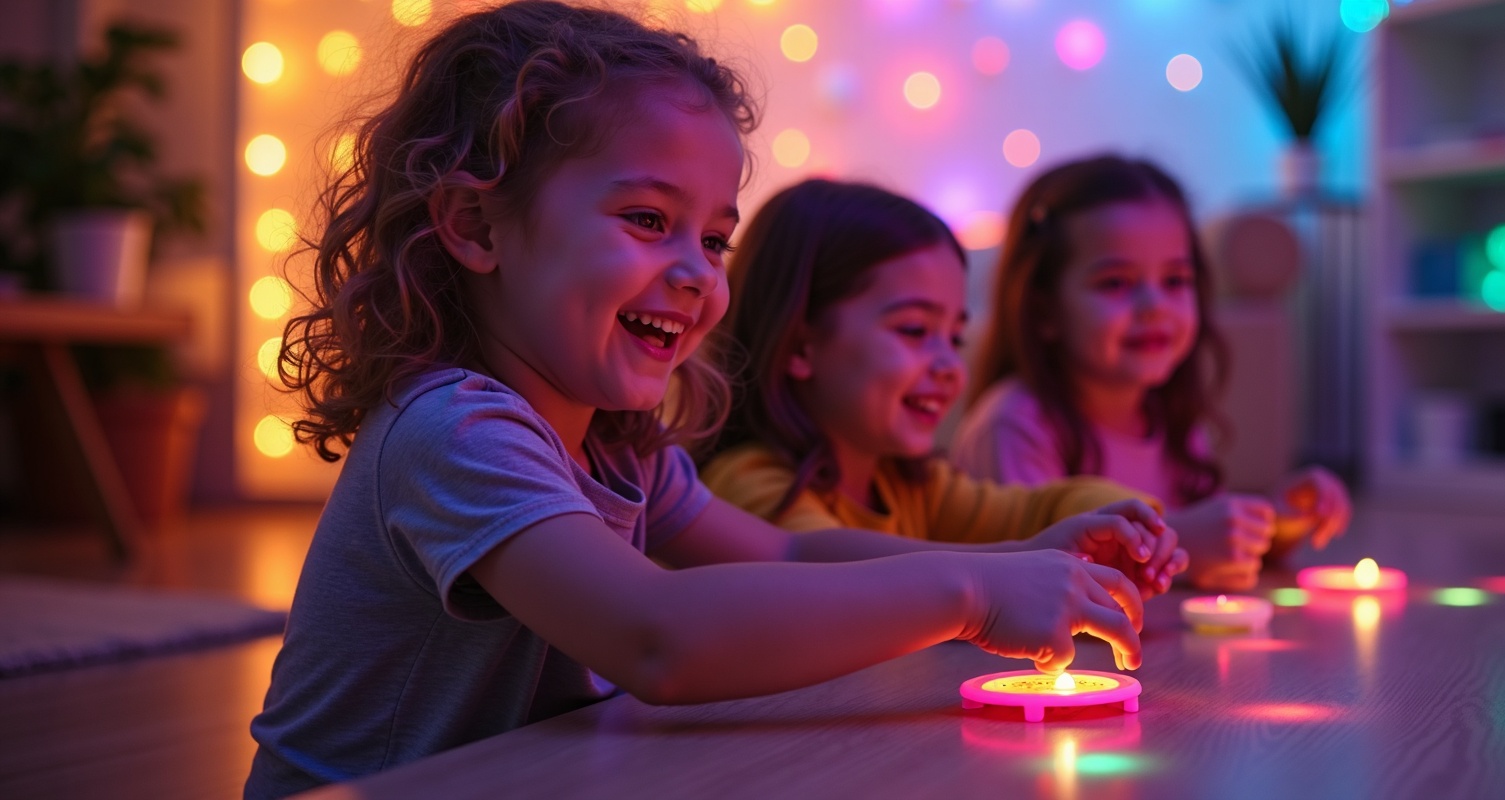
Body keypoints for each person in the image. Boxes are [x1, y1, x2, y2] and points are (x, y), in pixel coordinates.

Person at [245, 6, 1174, 796]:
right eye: (649, 221)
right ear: (475, 225)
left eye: (716, 240)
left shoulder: (618, 449)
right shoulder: (453, 428)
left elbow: (793, 551)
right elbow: (660, 639)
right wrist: (972, 594)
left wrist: (1016, 558)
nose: (696, 275)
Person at [700, 179, 1187, 596]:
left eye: (955, 337)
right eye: (914, 330)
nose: (951, 366)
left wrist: (1123, 522)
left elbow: (1035, 507)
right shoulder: (748, 486)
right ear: (800, 347)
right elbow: (834, 576)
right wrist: (1022, 562)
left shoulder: (917, 489)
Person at [952, 155, 1351, 592]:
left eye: (1176, 281)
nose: (1154, 306)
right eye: (1115, 283)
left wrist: (1279, 521)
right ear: (1044, 310)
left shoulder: (1167, 417)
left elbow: (1213, 546)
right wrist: (1185, 544)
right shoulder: (1014, 426)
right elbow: (1032, 577)